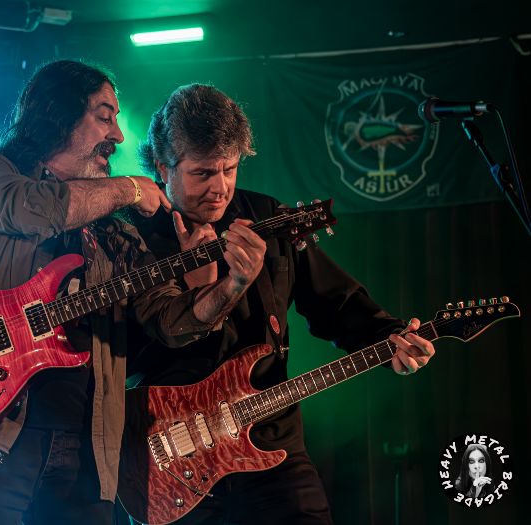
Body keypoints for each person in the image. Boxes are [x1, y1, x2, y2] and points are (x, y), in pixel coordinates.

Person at [0, 63, 266, 525]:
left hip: (87, 447)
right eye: (105, 117)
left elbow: (169, 321)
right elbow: (37, 211)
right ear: (59, 115)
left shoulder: (113, 232)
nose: (119, 136)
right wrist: (129, 189)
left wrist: (231, 285)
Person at [123, 84, 436, 524]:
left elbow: (336, 302)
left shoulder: (267, 218)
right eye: (203, 173)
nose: (220, 188)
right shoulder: (132, 235)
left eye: (230, 169)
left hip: (269, 440)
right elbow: (145, 337)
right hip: (171, 453)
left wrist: (391, 338)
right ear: (163, 167)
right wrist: (225, 286)